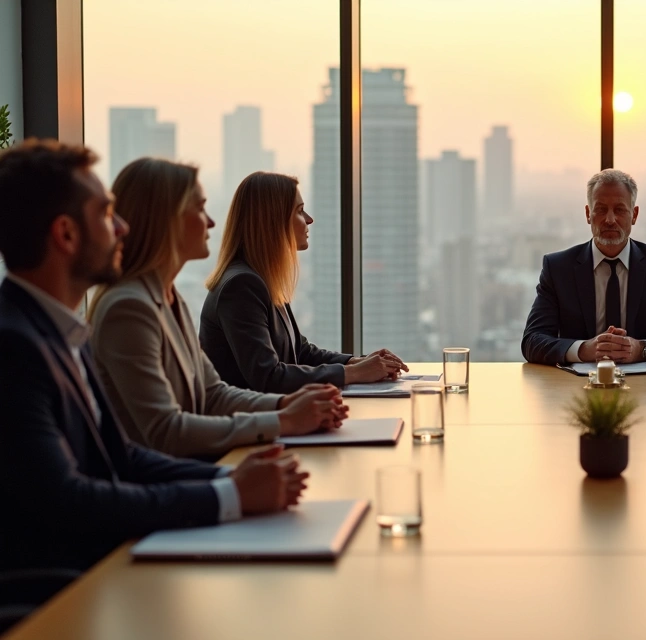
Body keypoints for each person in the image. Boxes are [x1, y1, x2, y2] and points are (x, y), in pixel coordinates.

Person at [0, 139, 308, 571]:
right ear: (66, 234)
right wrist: (229, 493)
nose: (122, 227)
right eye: (106, 214)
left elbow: (120, 455)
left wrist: (231, 477)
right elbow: (68, 500)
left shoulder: (61, 330)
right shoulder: (16, 347)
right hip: (68, 585)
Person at [89, 158, 347, 460]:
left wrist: (286, 406)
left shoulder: (169, 298)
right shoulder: (129, 309)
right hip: (169, 478)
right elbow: (166, 431)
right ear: (167, 221)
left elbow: (213, 394)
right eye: (200, 208)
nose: (211, 222)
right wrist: (284, 420)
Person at [200, 172, 406, 394]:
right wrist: (353, 373)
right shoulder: (241, 285)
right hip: (254, 415)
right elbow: (268, 376)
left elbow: (300, 351)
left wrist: (357, 362)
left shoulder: (262, 278)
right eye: (299, 211)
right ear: (273, 221)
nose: (309, 219)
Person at [521, 169, 646, 365]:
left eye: (619, 210)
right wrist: (584, 350)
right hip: (578, 382)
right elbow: (532, 341)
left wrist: (642, 350)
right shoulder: (559, 268)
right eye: (601, 209)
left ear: (634, 215)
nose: (610, 220)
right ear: (588, 214)